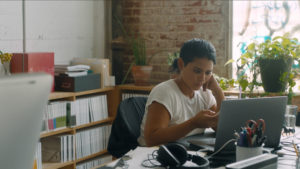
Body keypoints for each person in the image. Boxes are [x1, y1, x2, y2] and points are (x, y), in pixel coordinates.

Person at [137, 38, 225, 147]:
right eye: (197, 71)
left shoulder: (205, 93)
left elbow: (221, 128)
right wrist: (193, 123)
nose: (203, 78)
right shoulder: (164, 92)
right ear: (181, 64)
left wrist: (218, 92)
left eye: (208, 72)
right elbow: (152, 139)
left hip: (187, 152)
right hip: (154, 156)